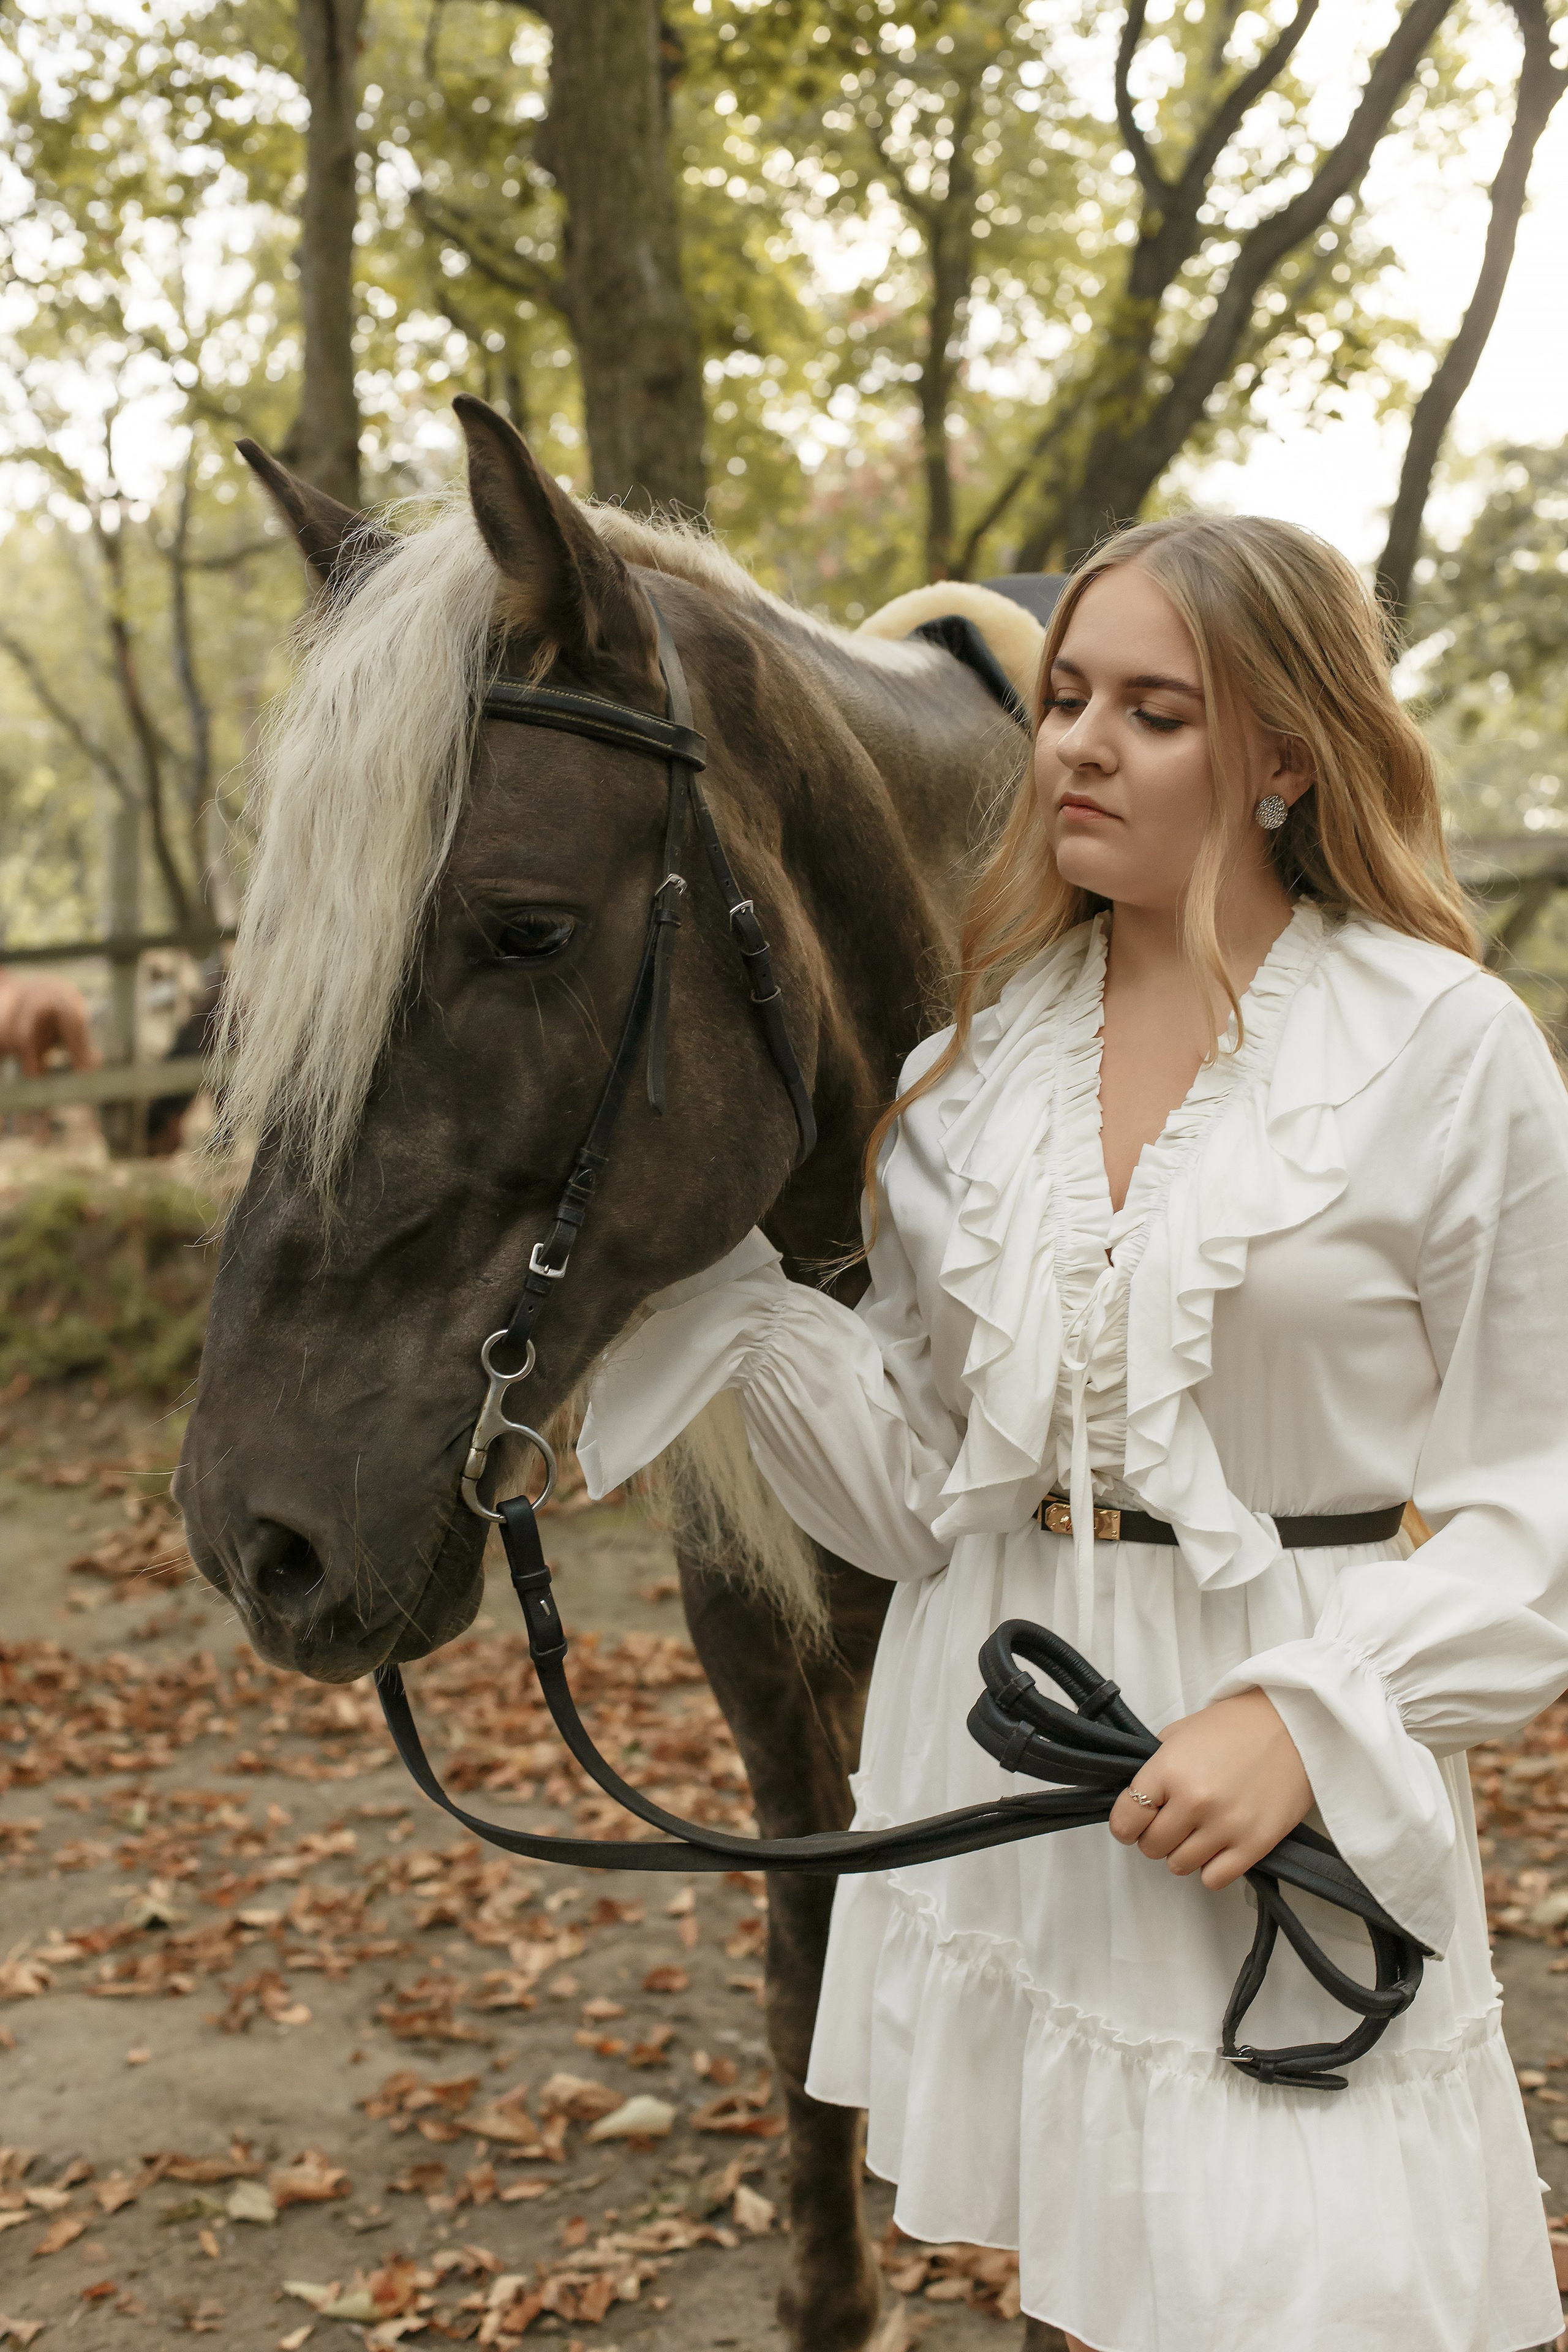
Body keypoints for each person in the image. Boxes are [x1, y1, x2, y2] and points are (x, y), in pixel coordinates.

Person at [577, 515, 1568, 2352]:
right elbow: (920, 1491)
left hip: (1293, 1774)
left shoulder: (1445, 1049)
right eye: (1070, 699)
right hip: (1021, 1777)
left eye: (1158, 712)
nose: (1082, 747)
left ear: (1287, 756)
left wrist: (1306, 1722)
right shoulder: (971, 1077)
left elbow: (1539, 1495)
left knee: (1341, 2288)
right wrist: (717, 1307)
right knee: (1100, 2296)